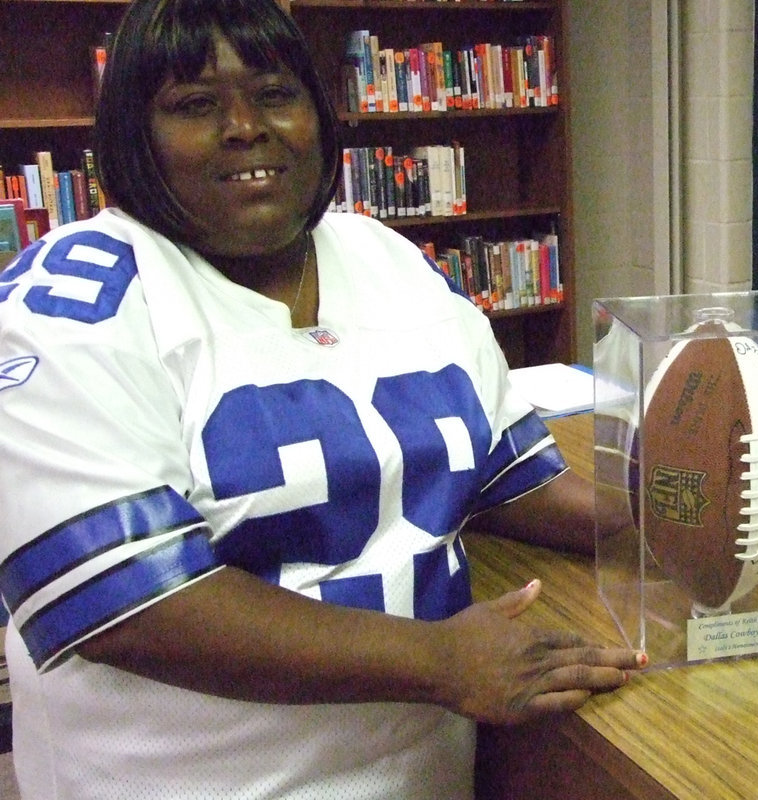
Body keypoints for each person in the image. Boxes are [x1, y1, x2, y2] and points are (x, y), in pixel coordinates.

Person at [0, 0, 646, 797]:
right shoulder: (64, 302)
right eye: (195, 105)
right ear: (133, 137)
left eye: (275, 94)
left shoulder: (386, 257)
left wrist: (657, 519)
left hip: (421, 770)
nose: (246, 127)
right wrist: (443, 661)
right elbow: (134, 609)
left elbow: (499, 478)